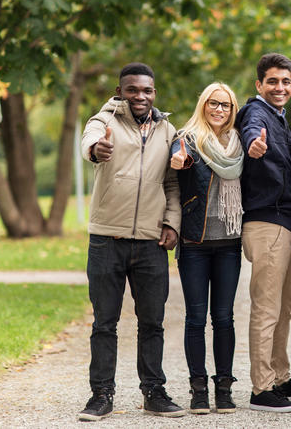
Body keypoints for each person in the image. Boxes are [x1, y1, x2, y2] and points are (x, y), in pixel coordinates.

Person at [78, 62, 185, 421]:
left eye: (147, 90)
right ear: (120, 91)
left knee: (152, 322)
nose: (140, 96)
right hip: (107, 238)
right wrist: (96, 150)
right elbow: (89, 142)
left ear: (154, 92)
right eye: (132, 90)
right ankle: (101, 396)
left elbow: (171, 183)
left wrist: (171, 222)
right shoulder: (103, 120)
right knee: (104, 323)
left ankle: (154, 392)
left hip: (151, 242)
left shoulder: (166, 129)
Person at [235, 53, 291, 412]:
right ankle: (261, 389)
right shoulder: (256, 114)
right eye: (272, 81)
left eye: (285, 81)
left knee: (283, 308)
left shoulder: (280, 118)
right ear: (259, 85)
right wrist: (254, 146)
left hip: (283, 222)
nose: (280, 87)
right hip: (266, 223)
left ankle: (280, 378)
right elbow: (252, 135)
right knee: (267, 309)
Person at [169, 83, 244, 414]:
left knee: (224, 318)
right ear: (203, 105)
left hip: (229, 242)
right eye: (214, 103)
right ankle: (198, 389)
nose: (219, 110)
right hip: (195, 242)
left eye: (226, 105)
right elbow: (177, 164)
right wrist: (177, 162)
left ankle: (224, 387)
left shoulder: (239, 144)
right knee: (196, 318)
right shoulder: (187, 139)